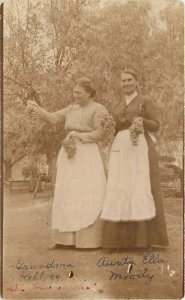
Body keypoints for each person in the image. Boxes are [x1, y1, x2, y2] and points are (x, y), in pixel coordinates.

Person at [28, 77, 108, 249]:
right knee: (68, 193)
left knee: (87, 193)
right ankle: (65, 240)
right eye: (74, 92)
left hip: (88, 154)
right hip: (69, 153)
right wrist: (36, 108)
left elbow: (101, 132)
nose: (75, 95)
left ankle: (88, 241)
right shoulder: (71, 109)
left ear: (89, 93)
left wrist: (80, 136)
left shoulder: (98, 109)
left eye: (79, 92)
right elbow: (52, 118)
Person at [101, 68, 169, 249]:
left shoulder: (145, 102)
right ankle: (119, 241)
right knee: (119, 187)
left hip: (138, 147)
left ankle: (141, 241)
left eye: (130, 80)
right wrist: (107, 126)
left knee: (138, 186)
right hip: (119, 149)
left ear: (136, 82)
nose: (126, 84)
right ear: (120, 83)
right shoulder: (116, 105)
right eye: (123, 81)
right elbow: (113, 129)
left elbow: (156, 125)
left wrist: (142, 122)